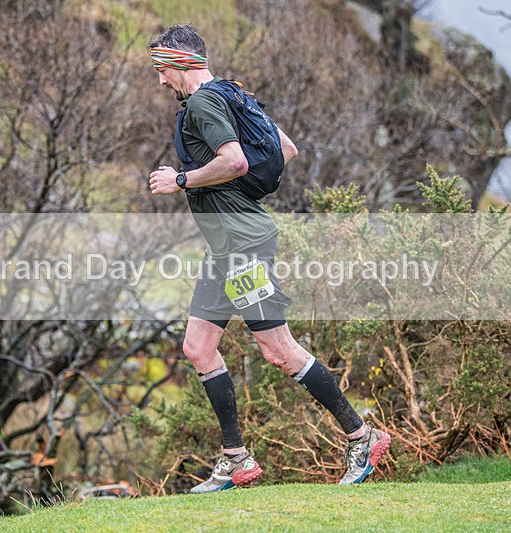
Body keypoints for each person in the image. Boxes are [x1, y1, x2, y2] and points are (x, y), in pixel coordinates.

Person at [147, 24, 390, 493]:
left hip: (243, 245)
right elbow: (287, 150)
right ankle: (235, 460)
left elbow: (236, 161)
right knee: (198, 347)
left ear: (179, 61)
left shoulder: (201, 103)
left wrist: (180, 180)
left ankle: (362, 436)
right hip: (228, 246)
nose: (160, 81)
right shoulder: (234, 94)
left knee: (277, 349)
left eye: (161, 69)